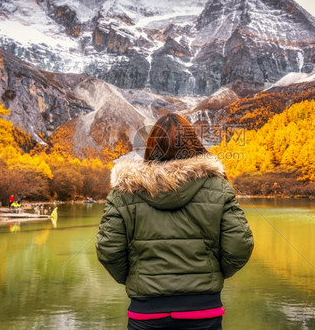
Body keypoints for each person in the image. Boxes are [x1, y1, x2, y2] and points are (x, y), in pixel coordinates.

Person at [96, 114, 254, 330]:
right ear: (193, 144)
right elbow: (240, 245)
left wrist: (137, 278)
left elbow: (108, 249)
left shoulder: (124, 192)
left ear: (151, 146)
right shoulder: (218, 186)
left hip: (146, 312)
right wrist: (211, 272)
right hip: (203, 310)